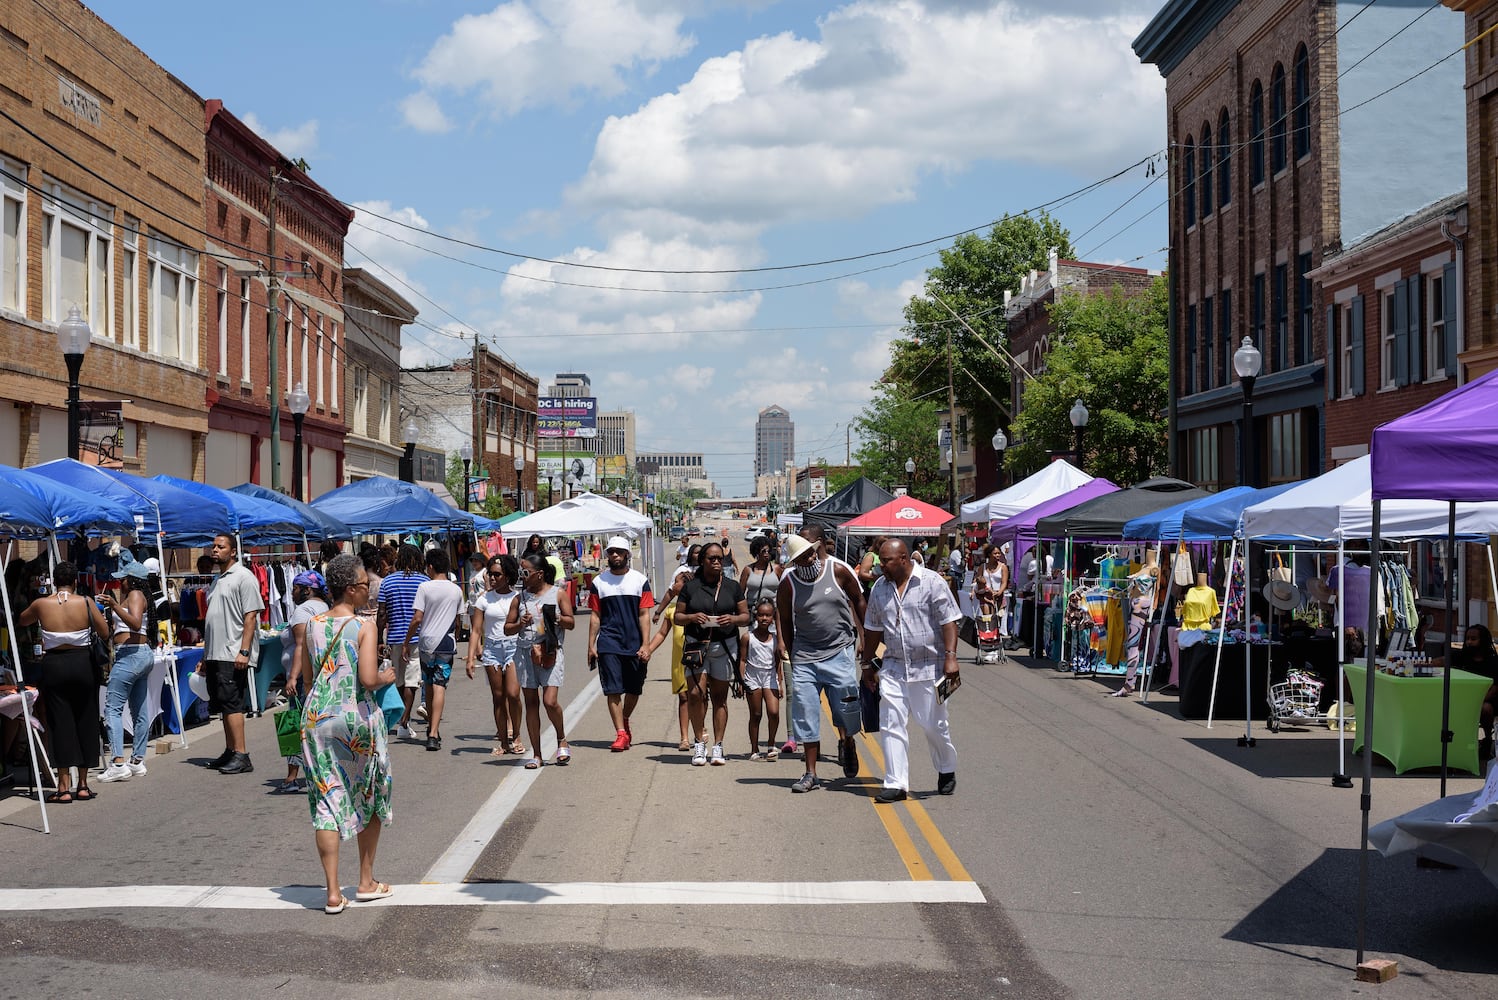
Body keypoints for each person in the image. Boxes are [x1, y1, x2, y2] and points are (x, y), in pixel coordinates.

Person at [291, 553, 397, 914]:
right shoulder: (364, 626)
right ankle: (366, 881)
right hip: (356, 717)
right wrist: (387, 677)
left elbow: (308, 679)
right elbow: (368, 679)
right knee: (369, 790)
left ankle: (333, 892)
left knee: (327, 800)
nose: (370, 590)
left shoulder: (312, 625)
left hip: (317, 717)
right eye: (366, 585)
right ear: (351, 589)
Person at [859, 539, 960, 802]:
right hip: (893, 667)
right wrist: (867, 665)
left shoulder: (931, 581)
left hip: (929, 667)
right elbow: (872, 630)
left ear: (903, 559)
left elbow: (949, 621)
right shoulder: (880, 588)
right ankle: (896, 783)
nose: (881, 566)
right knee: (891, 723)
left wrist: (951, 657)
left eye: (886, 561)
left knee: (932, 725)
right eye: (879, 561)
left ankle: (946, 767)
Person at [777, 532, 866, 793]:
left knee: (845, 708)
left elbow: (859, 600)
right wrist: (793, 654)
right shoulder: (788, 584)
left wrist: (865, 636)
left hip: (839, 651)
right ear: (795, 562)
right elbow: (784, 620)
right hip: (805, 656)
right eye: (803, 557)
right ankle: (810, 773)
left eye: (811, 553)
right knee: (805, 712)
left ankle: (848, 742)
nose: (810, 558)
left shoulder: (838, 570)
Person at [18, 560, 109, 802]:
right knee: (86, 720)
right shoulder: (86, 602)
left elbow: (22, 620)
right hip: (83, 664)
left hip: (54, 665)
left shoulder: (41, 604)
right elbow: (104, 632)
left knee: (60, 723)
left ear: (54, 582)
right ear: (75, 582)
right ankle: (82, 784)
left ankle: (62, 786)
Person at [676, 541, 749, 766]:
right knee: (696, 695)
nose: (717, 562)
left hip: (724, 647)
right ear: (702, 561)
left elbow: (746, 616)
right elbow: (677, 616)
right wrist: (691, 617)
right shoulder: (691, 587)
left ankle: (718, 746)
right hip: (696, 645)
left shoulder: (732, 586)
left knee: (720, 698)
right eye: (712, 558)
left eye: (719, 558)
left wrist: (733, 619)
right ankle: (699, 743)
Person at [202, 533, 265, 775]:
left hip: (232, 652)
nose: (215, 550)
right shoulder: (218, 579)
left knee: (233, 703)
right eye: (214, 546)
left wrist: (244, 651)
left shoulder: (244, 577)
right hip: (216, 652)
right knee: (222, 704)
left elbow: (250, 616)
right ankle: (230, 750)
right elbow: (213, 619)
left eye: (221, 547)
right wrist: (205, 655)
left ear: (233, 551)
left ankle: (241, 754)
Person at [505, 553, 575, 768]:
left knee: (549, 701)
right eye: (520, 572)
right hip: (526, 653)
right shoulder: (520, 598)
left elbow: (571, 622)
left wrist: (556, 618)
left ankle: (561, 738)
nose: (522, 576)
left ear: (540, 574)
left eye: (525, 572)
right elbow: (508, 628)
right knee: (531, 703)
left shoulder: (558, 594)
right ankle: (536, 754)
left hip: (550, 651)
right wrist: (520, 624)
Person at [587, 537, 654, 752]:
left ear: (627, 554)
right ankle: (620, 733)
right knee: (612, 689)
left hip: (634, 643)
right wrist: (591, 645)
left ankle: (624, 719)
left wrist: (646, 644)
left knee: (634, 688)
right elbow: (595, 615)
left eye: (619, 552)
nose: (614, 555)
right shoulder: (599, 582)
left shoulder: (640, 580)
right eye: (611, 552)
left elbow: (644, 614)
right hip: (609, 642)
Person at [98, 552, 157, 783]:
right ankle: (137, 760)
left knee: (112, 709)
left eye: (122, 578)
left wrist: (113, 604)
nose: (119, 582)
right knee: (139, 710)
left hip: (131, 655)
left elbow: (133, 623)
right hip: (138, 655)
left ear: (131, 579)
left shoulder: (134, 594)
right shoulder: (137, 595)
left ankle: (118, 762)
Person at [401, 549, 465, 751]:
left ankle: (431, 727)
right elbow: (458, 619)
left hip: (426, 642)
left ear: (430, 566)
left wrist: (406, 641)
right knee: (440, 686)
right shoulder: (456, 590)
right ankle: (433, 732)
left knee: (428, 684)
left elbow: (417, 618)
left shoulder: (425, 587)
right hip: (446, 643)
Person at [277, 570, 329, 791]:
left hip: (301, 678)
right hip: (320, 675)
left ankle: (291, 778)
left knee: (291, 724)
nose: (292, 592)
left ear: (307, 590)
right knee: (315, 725)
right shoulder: (325, 608)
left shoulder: (302, 611)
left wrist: (292, 676)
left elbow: (301, 645)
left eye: (296, 589)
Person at [468, 554, 524, 754]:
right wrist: (471, 656)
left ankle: (516, 734)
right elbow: (476, 630)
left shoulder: (517, 597)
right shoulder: (484, 599)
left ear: (508, 576)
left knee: (513, 694)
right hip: (492, 649)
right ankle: (504, 742)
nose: (492, 578)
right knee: (498, 697)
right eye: (490, 574)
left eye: (497, 575)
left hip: (513, 648)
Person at [377, 544, 428, 741]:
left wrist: (378, 639)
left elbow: (382, 613)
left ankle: (401, 718)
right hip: (416, 637)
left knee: (398, 679)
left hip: (394, 636)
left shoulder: (387, 582)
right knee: (412, 680)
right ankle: (404, 722)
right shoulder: (424, 581)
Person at [1435, 624, 1498, 762]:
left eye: (1473, 639)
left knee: (1485, 709)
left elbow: (1495, 689)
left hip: (1488, 701)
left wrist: (1477, 701)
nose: (1469, 642)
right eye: (1468, 638)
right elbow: (1442, 661)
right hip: (1463, 698)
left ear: (1483, 640)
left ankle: (1487, 739)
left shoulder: (1494, 661)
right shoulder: (1462, 656)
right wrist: (1421, 663)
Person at [740, 598, 784, 760]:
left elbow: (778, 663)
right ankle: (754, 748)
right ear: (755, 616)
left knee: (773, 712)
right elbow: (743, 660)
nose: (764, 618)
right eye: (761, 615)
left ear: (773, 618)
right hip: (752, 677)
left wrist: (779, 682)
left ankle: (771, 744)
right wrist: (741, 681)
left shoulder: (775, 639)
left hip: (770, 677)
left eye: (768, 615)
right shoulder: (747, 637)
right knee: (756, 714)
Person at [740, 537, 782, 608]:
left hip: (773, 611)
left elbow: (783, 592)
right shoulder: (748, 570)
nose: (766, 554)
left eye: (768, 551)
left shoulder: (777, 569)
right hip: (753, 610)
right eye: (763, 551)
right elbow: (740, 594)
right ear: (756, 552)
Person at [972, 543, 1008, 619]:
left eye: (999, 553)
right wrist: (973, 591)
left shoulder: (1003, 567)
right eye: (995, 553)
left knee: (998, 619)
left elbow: (1004, 582)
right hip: (985, 596)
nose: (998, 555)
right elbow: (977, 580)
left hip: (998, 596)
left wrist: (999, 592)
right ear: (989, 554)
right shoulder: (983, 567)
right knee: (987, 619)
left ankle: (997, 631)